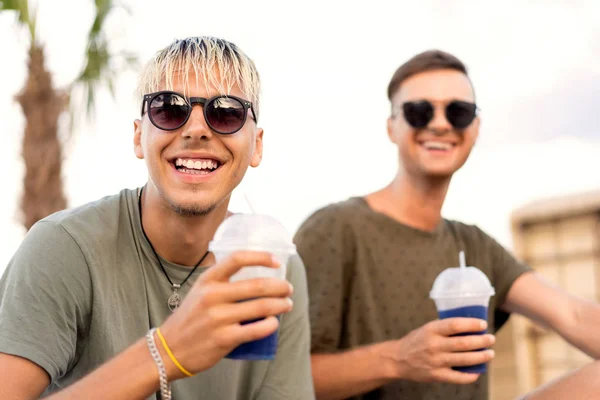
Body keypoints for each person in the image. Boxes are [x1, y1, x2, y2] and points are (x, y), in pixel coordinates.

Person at [0, 36, 314, 400]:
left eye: (226, 112)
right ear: (138, 137)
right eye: (169, 109)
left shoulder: (273, 267)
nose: (196, 129)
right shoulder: (63, 248)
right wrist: (165, 353)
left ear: (256, 145)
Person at [294, 49, 600, 400]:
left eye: (458, 111)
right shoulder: (335, 228)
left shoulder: (475, 245)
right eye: (419, 111)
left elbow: (572, 315)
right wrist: (398, 359)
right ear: (392, 127)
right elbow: (283, 378)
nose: (440, 124)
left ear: (475, 127)